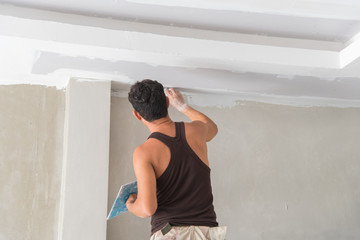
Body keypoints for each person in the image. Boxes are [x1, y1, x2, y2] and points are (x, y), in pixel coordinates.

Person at [126, 79, 227, 240]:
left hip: (170, 233)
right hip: (206, 231)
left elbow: (147, 209)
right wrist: (182, 106)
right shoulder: (196, 130)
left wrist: (131, 204)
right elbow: (212, 128)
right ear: (167, 102)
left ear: (137, 115)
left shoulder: (144, 152)